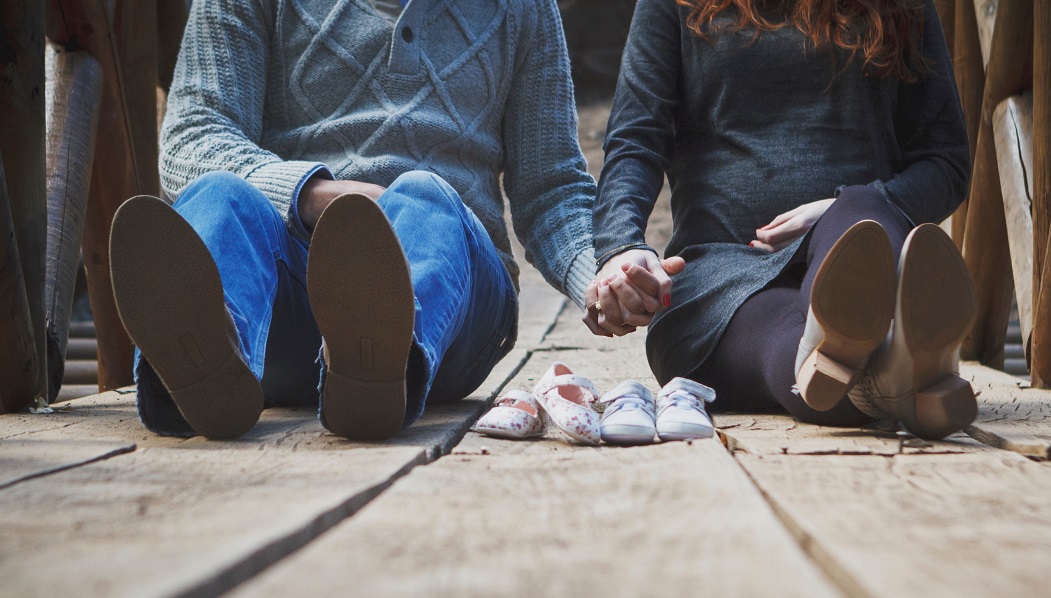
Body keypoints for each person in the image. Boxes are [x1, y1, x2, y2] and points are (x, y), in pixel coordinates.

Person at [109, 0, 600, 441]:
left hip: (457, 307)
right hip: (288, 303)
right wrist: (311, 195)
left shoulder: (525, 8)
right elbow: (193, 136)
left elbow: (551, 184)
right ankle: (210, 365)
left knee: (423, 195)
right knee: (218, 195)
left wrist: (601, 274)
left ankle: (389, 366)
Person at [587, 0, 977, 439]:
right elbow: (635, 141)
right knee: (797, 346)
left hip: (858, 236)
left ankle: (872, 369)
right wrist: (622, 248)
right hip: (717, 277)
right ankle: (895, 367)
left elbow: (945, 162)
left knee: (860, 218)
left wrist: (835, 206)